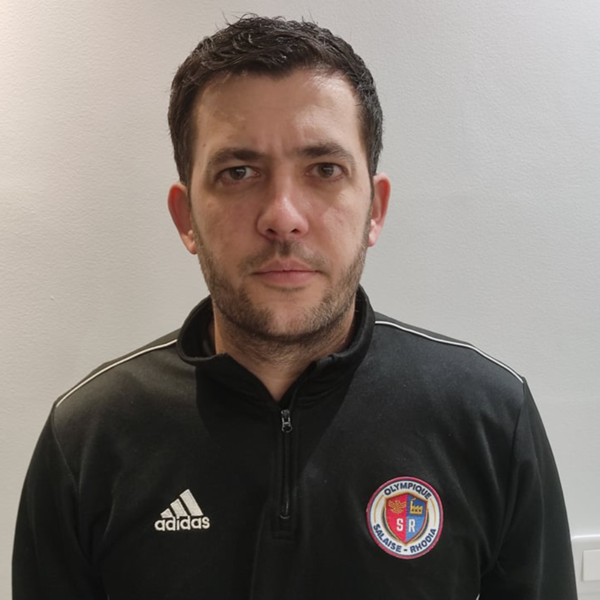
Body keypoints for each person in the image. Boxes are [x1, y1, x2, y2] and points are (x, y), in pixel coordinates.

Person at [13, 15, 577, 600]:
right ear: (186, 218)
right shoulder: (88, 439)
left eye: (325, 170)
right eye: (238, 172)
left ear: (375, 209)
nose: (283, 216)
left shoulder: (490, 419)